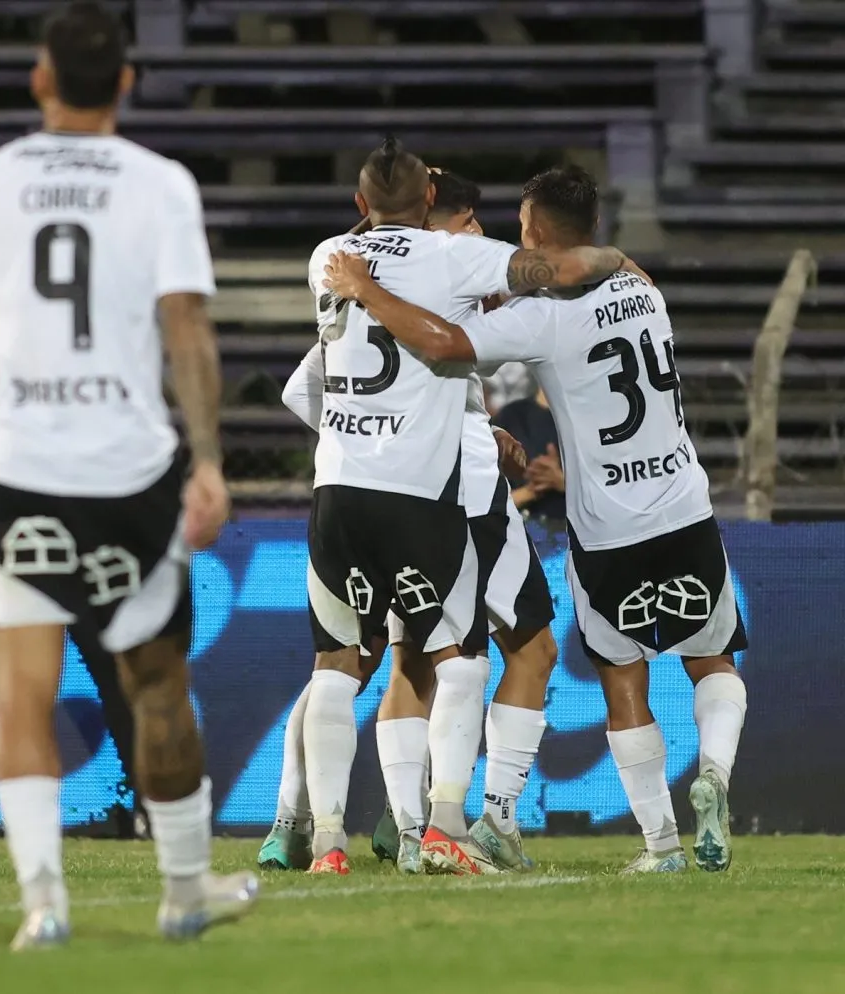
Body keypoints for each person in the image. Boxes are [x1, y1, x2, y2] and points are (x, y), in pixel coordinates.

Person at [0, 1, 257, 949]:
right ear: (126, 81)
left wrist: (3, 390)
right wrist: (207, 458)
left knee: (21, 686)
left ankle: (44, 905)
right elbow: (187, 327)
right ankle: (184, 889)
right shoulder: (160, 182)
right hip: (127, 471)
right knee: (157, 683)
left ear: (40, 78)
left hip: (18, 469)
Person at [322, 164, 748, 875]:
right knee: (715, 660)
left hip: (607, 527)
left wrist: (368, 290)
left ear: (540, 235)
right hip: (685, 506)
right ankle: (716, 774)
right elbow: (607, 271)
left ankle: (662, 847)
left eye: (522, 230)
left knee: (621, 677)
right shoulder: (645, 291)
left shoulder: (544, 318)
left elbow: (444, 344)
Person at [291, 145, 641, 876]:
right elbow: (562, 270)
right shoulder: (454, 257)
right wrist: (617, 258)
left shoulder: (328, 257)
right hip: (422, 493)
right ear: (430, 200)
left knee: (338, 666)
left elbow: (314, 377)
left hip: (337, 489)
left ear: (359, 204)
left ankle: (325, 840)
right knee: (462, 661)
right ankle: (445, 826)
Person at [259, 169, 559, 876]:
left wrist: (368, 438)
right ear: (436, 218)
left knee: (360, 663)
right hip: (451, 497)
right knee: (496, 653)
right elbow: (469, 339)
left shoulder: (349, 271)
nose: (478, 233)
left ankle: (309, 824)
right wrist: (450, 436)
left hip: (352, 489)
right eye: (470, 222)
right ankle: (463, 824)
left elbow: (305, 387)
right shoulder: (446, 266)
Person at [0, 353, 145, 839]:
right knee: (21, 684)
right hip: (4, 538)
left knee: (117, 668)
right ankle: (29, 820)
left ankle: (143, 805)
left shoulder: (74, 341)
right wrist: (12, 383)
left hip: (82, 527)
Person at [493, 381, 566, 524]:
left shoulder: (591, 419)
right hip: (520, 526)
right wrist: (531, 491)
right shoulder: (510, 416)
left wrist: (562, 482)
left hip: (577, 528)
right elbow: (487, 499)